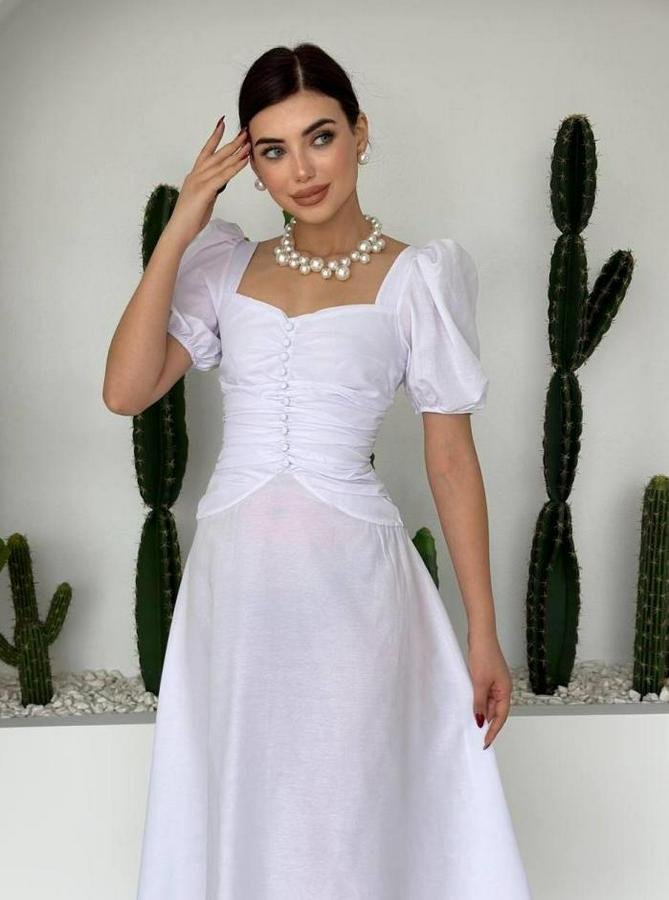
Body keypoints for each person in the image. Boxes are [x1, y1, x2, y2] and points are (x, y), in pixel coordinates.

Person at [104, 41, 531, 900]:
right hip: (236, 589)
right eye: (272, 150)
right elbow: (125, 390)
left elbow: (450, 458)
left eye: (320, 137)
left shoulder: (416, 278)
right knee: (242, 802)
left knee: (345, 814)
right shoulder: (223, 265)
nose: (300, 170)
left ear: (359, 134)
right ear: (250, 166)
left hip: (354, 593)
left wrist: (482, 632)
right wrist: (181, 225)